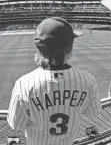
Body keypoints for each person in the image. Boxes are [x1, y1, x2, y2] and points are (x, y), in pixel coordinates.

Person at [7, 17, 101, 145]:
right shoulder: (88, 79)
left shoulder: (23, 84)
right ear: (69, 48)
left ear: (40, 49)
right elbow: (92, 112)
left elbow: (16, 124)